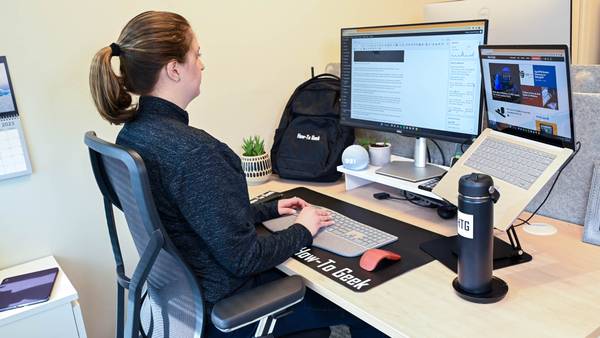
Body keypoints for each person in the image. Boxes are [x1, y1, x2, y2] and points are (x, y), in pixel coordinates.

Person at [89, 11, 388, 338]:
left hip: (187, 304)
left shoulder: (133, 137)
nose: (201, 64)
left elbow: (189, 216)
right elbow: (244, 259)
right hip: (230, 305)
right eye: (197, 54)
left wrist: (268, 209)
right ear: (174, 69)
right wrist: (304, 228)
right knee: (367, 310)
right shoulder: (196, 153)